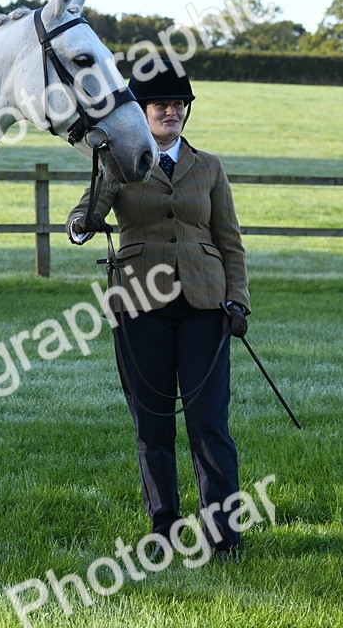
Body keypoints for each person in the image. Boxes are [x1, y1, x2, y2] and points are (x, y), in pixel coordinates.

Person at [66, 59, 250, 562]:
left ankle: (223, 535)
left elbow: (229, 240)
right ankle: (164, 526)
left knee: (209, 421)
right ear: (142, 112)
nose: (170, 112)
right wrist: (80, 223)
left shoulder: (208, 167)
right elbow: (88, 210)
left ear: (186, 113)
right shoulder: (122, 163)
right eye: (160, 105)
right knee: (152, 422)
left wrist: (239, 300)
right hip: (138, 302)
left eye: (177, 105)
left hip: (205, 305)